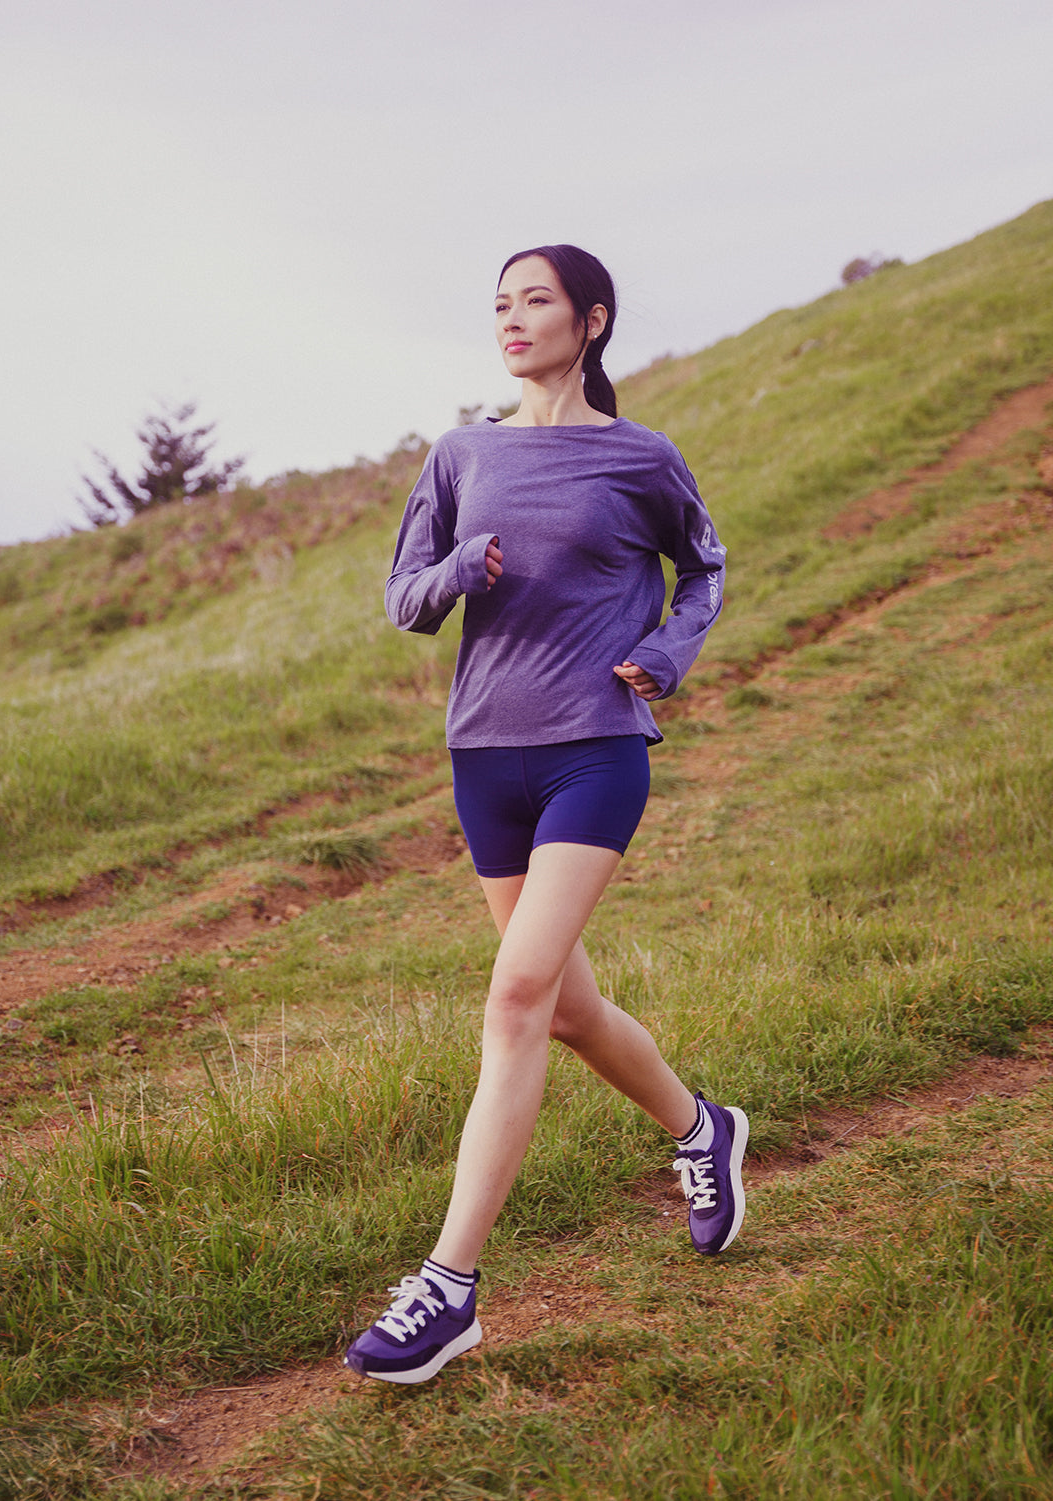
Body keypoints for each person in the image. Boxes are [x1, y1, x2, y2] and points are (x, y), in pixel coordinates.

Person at [344, 244, 746, 1385]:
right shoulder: (462, 453)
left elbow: (704, 567)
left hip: (595, 753)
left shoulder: (639, 456)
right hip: (485, 760)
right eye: (502, 305)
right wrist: (461, 567)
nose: (513, 321)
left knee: (516, 994)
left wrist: (665, 652)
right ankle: (700, 1127)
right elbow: (402, 599)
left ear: (593, 319)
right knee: (564, 1010)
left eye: (537, 302)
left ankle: (451, 1289)